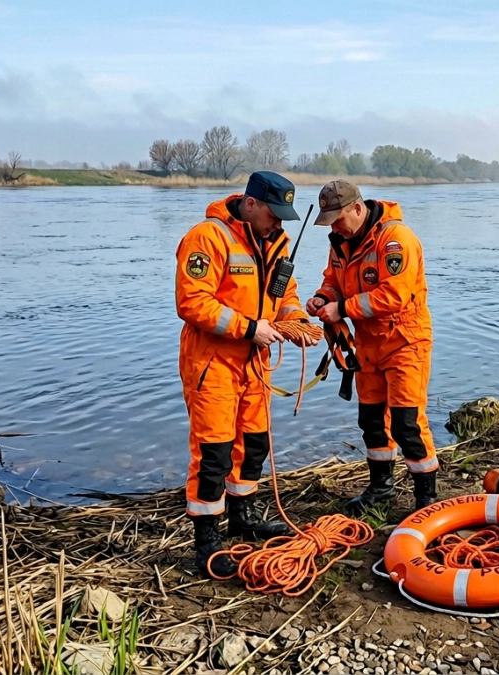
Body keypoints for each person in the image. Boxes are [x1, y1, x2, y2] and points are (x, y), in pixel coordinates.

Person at [174, 170, 320, 578]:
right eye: (274, 213)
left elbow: (284, 297)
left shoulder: (277, 241)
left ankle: (244, 517)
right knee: (213, 454)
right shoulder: (208, 237)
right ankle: (206, 542)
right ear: (251, 204)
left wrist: (299, 323)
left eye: (284, 216)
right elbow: (192, 302)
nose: (279, 222)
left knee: (253, 444)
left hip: (254, 363)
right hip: (213, 363)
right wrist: (251, 328)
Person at [304, 180, 438, 515]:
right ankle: (381, 489)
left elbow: (394, 295)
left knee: (407, 423)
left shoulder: (396, 240)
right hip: (367, 346)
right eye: (330, 221)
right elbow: (334, 280)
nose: (333, 227)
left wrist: (343, 308)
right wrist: (324, 298)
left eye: (338, 219)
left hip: (405, 342)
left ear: (358, 208)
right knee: (372, 421)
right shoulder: (341, 241)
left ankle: (426, 497)